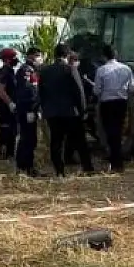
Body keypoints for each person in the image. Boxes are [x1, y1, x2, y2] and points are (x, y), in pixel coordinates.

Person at [38, 43, 93, 177]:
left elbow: (41, 92)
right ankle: (87, 168)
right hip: (70, 112)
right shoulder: (70, 69)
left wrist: (44, 108)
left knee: (56, 142)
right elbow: (79, 91)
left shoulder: (44, 70)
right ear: (67, 55)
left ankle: (59, 171)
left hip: (52, 112)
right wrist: (83, 110)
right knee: (80, 140)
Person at [93, 44, 134, 172]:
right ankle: (117, 161)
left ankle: (115, 161)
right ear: (116, 55)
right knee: (118, 131)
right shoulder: (126, 69)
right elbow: (132, 88)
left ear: (104, 56)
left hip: (107, 104)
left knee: (110, 133)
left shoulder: (101, 70)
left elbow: (97, 90)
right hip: (121, 103)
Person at [14, 47, 43, 176]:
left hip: (32, 108)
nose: (39, 58)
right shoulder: (26, 70)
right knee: (28, 137)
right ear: (30, 56)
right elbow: (27, 89)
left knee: (30, 137)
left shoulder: (34, 70)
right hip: (27, 108)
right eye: (37, 55)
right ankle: (25, 166)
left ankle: (25, 165)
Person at [0, 47, 20, 160]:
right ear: (7, 59)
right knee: (5, 131)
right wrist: (10, 104)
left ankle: (10, 154)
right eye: (14, 57)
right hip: (5, 107)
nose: (16, 59)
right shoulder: (4, 72)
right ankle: (3, 155)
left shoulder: (10, 71)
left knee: (12, 131)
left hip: (10, 107)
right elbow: (1, 90)